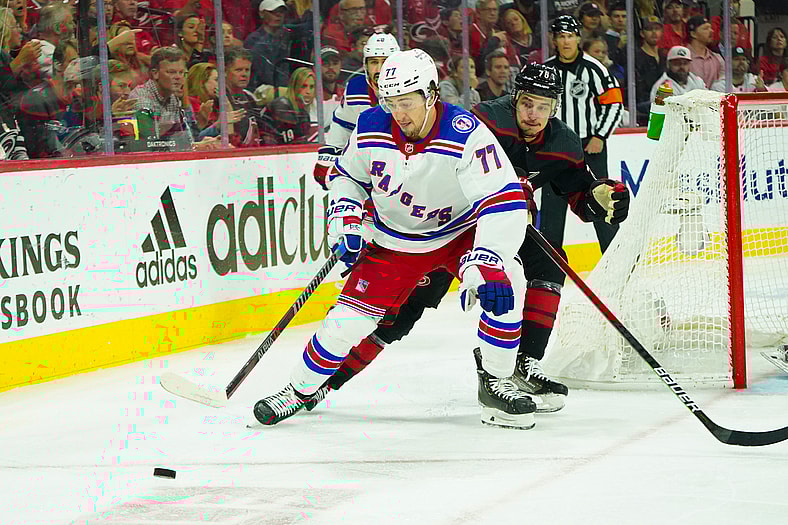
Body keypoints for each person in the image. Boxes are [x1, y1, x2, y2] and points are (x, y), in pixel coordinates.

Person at [300, 62, 632, 416]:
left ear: (555, 108)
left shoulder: (563, 142)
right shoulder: (483, 121)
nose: (534, 114)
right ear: (515, 97)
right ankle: (323, 384)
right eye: (527, 103)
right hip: (457, 226)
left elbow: (579, 194)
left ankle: (523, 363)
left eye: (544, 106)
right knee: (398, 317)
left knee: (548, 266)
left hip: (503, 226)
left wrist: (601, 196)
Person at [253, 48, 539, 429]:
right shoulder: (372, 124)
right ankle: (299, 389)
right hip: (395, 240)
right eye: (391, 102)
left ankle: (497, 381)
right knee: (345, 324)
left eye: (406, 102)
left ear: (431, 94)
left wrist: (489, 258)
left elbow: (504, 199)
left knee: (505, 287)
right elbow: (346, 177)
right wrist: (346, 216)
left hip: (458, 232)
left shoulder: (465, 134)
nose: (398, 113)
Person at [544, 14, 623, 252]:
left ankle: (614, 261)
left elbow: (614, 103)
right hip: (555, 149)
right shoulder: (546, 71)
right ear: (554, 40)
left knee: (602, 203)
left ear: (578, 38)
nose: (566, 41)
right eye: (561, 37)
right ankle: (549, 265)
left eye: (570, 36)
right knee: (552, 210)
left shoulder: (595, 69)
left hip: (590, 146)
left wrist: (600, 135)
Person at [312, 32, 400, 190]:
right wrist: (329, 158)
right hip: (371, 171)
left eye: (385, 62)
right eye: (374, 62)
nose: (379, 69)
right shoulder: (356, 89)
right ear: (365, 65)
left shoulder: (411, 90)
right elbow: (343, 126)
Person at [260, 66, 316, 144]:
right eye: (304, 86)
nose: (308, 92)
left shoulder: (303, 113)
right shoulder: (281, 106)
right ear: (294, 86)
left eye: (312, 87)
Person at [245, 0, 293, 89]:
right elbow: (259, 72)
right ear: (262, 14)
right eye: (273, 12)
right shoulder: (253, 40)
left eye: (282, 12)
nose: (279, 15)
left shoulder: (288, 36)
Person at [635, 16, 664, 124]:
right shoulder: (636, 57)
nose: (654, 32)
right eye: (649, 29)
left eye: (657, 29)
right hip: (644, 103)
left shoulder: (664, 56)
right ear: (642, 33)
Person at [685, 15, 723, 89]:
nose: (712, 31)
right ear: (693, 34)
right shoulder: (683, 59)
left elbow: (723, 83)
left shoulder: (717, 58)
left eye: (710, 28)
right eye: (706, 29)